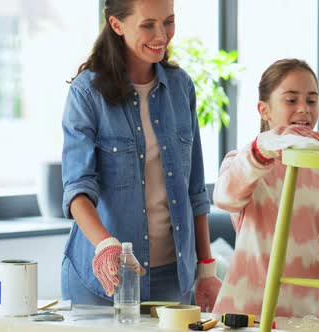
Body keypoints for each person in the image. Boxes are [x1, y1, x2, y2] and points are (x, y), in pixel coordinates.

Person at [60, 0, 221, 311]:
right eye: (148, 24)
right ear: (117, 25)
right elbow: (77, 189)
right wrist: (106, 246)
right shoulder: (86, 93)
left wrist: (206, 270)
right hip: (103, 282)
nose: (161, 34)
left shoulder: (181, 87)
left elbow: (195, 190)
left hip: (174, 279)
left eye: (169, 21)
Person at [212, 59, 319, 318]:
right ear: (264, 110)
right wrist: (263, 148)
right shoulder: (246, 161)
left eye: (312, 101)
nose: (304, 109)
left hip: (309, 320)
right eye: (291, 100)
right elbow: (224, 198)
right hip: (248, 316)